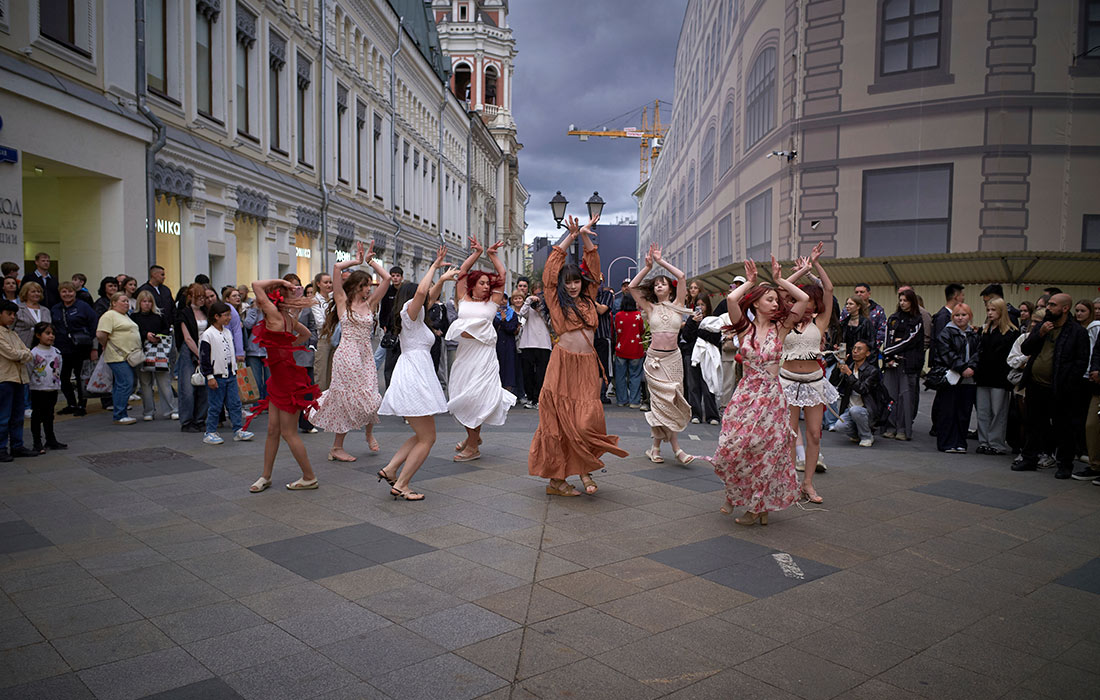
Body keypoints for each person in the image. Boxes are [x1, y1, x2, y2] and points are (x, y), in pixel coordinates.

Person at [707, 257, 811, 526]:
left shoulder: (782, 327)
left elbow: (801, 300)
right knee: (732, 445)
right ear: (755, 303)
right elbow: (732, 300)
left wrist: (779, 281)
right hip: (745, 395)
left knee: (765, 452)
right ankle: (734, 494)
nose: (775, 303)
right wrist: (751, 282)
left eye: (776, 300)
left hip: (771, 397)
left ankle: (757, 508)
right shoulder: (744, 328)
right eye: (769, 299)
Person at [528, 215, 627, 496]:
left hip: (586, 366)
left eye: (575, 281)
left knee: (585, 423)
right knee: (558, 422)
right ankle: (558, 480)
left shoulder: (588, 297)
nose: (572, 286)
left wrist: (585, 236)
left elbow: (594, 267)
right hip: (562, 364)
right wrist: (570, 236)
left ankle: (583, 470)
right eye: (567, 282)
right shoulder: (557, 300)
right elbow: (550, 272)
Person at [377, 248, 456, 500]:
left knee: (422, 435)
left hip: (416, 375)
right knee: (428, 438)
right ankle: (402, 484)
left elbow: (428, 295)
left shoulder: (417, 317)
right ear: (411, 299)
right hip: (414, 378)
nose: (426, 299)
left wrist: (442, 280)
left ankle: (390, 469)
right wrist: (433, 266)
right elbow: (422, 293)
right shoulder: (409, 314)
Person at [310, 241, 390, 462]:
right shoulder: (342, 301)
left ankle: (368, 433)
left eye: (368, 285)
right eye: (364, 285)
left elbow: (387, 280)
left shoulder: (371, 303)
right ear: (355, 286)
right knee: (345, 399)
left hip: (365, 355)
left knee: (371, 396)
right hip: (346, 355)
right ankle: (337, 447)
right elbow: (336, 268)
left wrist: (371, 261)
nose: (368, 288)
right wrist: (355, 260)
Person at [245, 277, 321, 492]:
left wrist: (282, 282)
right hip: (279, 378)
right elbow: (304, 335)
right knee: (272, 430)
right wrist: (287, 346)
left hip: (286, 379)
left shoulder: (275, 314)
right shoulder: (286, 318)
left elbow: (256, 285)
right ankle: (265, 476)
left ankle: (309, 477)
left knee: (289, 433)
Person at [445, 237, 517, 462]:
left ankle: (473, 447)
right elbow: (462, 272)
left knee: (476, 396)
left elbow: (503, 275)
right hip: (465, 355)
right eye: (482, 283)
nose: (487, 286)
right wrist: (476, 253)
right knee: (462, 395)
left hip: (484, 356)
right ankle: (472, 437)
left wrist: (493, 255)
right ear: (473, 285)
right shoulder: (463, 298)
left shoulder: (492, 302)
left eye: (488, 283)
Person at [777, 244, 835, 503]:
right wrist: (799, 273)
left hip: (813, 381)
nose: (808, 306)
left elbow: (830, 289)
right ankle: (790, 481)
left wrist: (815, 265)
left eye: (812, 302)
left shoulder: (820, 322)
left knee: (813, 433)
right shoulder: (785, 320)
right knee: (789, 434)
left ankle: (808, 484)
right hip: (787, 380)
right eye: (804, 300)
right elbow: (780, 288)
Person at [628, 243, 693, 464]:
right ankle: (675, 449)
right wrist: (647, 267)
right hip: (655, 359)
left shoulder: (678, 305)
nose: (658, 286)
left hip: (673, 359)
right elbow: (633, 287)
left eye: (662, 283)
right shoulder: (650, 308)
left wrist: (661, 262)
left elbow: (682, 276)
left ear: (671, 289)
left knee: (672, 402)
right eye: (655, 284)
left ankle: (655, 447)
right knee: (658, 404)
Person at [1013, 293, 1090, 478]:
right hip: (1036, 385)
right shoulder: (1043, 326)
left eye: (1053, 305)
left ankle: (1065, 464)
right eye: (1048, 305)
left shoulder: (1077, 332)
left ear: (1065, 308)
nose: (1048, 308)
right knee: (1033, 423)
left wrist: (1068, 381)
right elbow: (1026, 349)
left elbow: (1081, 361)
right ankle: (1030, 458)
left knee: (1063, 427)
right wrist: (1039, 334)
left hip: (1061, 388)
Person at [200, 301, 254, 445]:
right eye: (226, 315)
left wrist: (235, 369)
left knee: (235, 404)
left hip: (230, 374)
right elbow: (204, 358)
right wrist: (209, 376)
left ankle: (238, 429)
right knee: (215, 405)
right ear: (216, 316)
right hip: (216, 376)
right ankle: (210, 432)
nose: (229, 318)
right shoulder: (208, 335)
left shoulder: (227, 332)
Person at [932, 303, 980, 453]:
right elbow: (946, 353)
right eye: (957, 315)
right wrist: (962, 368)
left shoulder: (974, 334)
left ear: (970, 317)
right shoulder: (946, 333)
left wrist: (972, 367)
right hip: (951, 379)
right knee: (948, 412)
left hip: (969, 380)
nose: (960, 318)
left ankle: (960, 442)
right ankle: (947, 443)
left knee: (964, 412)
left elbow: (978, 352)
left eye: (964, 315)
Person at [974, 298, 1019, 455]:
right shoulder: (984, 330)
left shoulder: (1011, 332)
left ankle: (996, 443)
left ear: (1001, 311)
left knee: (998, 412)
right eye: (988, 310)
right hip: (983, 376)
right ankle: (984, 441)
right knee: (983, 411)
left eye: (993, 310)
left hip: (1000, 378)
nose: (990, 313)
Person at [882, 288, 925, 441]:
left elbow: (910, 340)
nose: (902, 303)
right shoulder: (893, 318)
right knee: (890, 395)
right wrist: (889, 356)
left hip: (908, 365)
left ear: (912, 302)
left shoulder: (917, 320)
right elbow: (888, 339)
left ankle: (902, 429)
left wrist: (889, 351)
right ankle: (890, 426)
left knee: (906, 397)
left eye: (905, 300)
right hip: (892, 364)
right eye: (900, 300)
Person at [830, 340, 889, 447]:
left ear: (867, 353)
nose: (855, 352)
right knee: (839, 426)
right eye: (854, 349)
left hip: (867, 411)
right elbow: (833, 382)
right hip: (850, 411)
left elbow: (863, 389)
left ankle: (867, 436)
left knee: (855, 410)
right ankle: (857, 434)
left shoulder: (872, 371)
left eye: (859, 349)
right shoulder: (850, 366)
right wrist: (839, 366)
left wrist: (849, 374)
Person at [51, 281, 97, 417]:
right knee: (64, 378)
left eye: (70, 291)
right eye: (64, 291)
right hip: (62, 349)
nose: (67, 294)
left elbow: (94, 326)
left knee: (81, 378)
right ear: (59, 293)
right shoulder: (55, 309)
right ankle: (71, 403)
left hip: (81, 349)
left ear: (75, 292)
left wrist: (94, 348)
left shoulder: (84, 307)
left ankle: (82, 404)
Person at [95, 292, 141, 425]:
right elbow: (101, 334)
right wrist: (106, 345)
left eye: (127, 301)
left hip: (128, 355)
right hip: (117, 356)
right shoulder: (109, 315)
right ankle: (120, 414)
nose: (126, 303)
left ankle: (119, 411)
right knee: (126, 382)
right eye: (123, 301)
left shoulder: (125, 315)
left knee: (120, 384)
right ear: (114, 303)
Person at [0, 300, 36, 460]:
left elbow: (27, 352)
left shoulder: (13, 333)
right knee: (3, 416)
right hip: (5, 378)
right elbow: (13, 354)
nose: (12, 317)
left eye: (14, 314)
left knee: (17, 416)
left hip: (19, 378)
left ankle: (17, 445)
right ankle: (1, 448)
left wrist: (22, 354)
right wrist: (22, 354)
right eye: (9, 314)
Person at [132, 290, 177, 421]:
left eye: (149, 301)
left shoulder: (159, 316)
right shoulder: (134, 317)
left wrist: (158, 336)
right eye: (144, 301)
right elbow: (134, 332)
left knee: (164, 382)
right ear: (140, 302)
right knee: (145, 384)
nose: (147, 304)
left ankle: (171, 409)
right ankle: (148, 411)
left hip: (159, 352)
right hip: (142, 352)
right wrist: (146, 335)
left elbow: (166, 329)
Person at [176, 283, 210, 433]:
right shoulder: (184, 313)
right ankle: (187, 421)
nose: (202, 300)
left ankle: (200, 419)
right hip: (189, 351)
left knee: (205, 387)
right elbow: (187, 338)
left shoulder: (206, 312)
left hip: (205, 350)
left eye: (203, 297)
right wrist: (198, 355)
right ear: (191, 297)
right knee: (187, 388)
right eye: (199, 297)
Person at [684, 292, 722, 424]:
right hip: (692, 355)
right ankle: (696, 414)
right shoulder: (691, 319)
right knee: (693, 386)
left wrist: (699, 331)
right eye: (698, 305)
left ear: (708, 306)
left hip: (708, 356)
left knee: (708, 385)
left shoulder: (713, 319)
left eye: (703, 305)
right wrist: (693, 323)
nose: (700, 307)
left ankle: (712, 415)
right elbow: (687, 336)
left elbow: (715, 338)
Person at [28, 322, 65, 453]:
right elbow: (29, 370)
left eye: (53, 334)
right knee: (37, 415)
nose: (51, 336)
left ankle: (51, 439)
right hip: (38, 389)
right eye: (47, 333)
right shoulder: (33, 353)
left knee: (49, 414)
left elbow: (58, 368)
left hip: (52, 388)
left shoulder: (56, 351)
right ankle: (37, 442)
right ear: (38, 335)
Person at [517, 283, 552, 408]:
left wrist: (542, 309)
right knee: (528, 373)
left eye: (540, 294)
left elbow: (551, 323)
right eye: (535, 294)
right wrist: (528, 300)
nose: (538, 297)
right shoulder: (528, 306)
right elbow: (521, 313)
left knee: (541, 374)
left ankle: (538, 399)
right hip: (528, 343)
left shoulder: (549, 306)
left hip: (543, 344)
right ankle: (530, 398)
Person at [613, 293, 644, 407]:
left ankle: (622, 400)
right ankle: (634, 401)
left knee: (620, 376)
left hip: (621, 348)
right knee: (635, 375)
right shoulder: (638, 315)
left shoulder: (618, 315)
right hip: (635, 349)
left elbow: (616, 329)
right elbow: (641, 331)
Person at [837, 283, 886, 349]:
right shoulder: (846, 310)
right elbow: (841, 327)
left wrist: (873, 347)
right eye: (856, 292)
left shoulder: (878, 310)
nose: (859, 294)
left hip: (867, 347)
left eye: (862, 292)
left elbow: (882, 330)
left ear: (869, 293)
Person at [495, 293, 523, 398]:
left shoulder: (512, 314)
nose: (502, 302)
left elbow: (512, 328)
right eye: (500, 300)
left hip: (509, 345)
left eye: (504, 300)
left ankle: (507, 395)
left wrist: (503, 321)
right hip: (496, 345)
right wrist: (501, 320)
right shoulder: (492, 314)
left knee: (509, 369)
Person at [311, 271, 336, 391]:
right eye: (326, 282)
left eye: (330, 282)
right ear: (318, 284)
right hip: (322, 339)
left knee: (333, 374)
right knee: (321, 374)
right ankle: (319, 404)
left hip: (335, 338)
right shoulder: (315, 300)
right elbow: (319, 322)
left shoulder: (334, 298)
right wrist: (333, 320)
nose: (329, 285)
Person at [841, 296, 876, 362]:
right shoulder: (843, 323)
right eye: (847, 304)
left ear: (858, 306)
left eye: (851, 304)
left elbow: (872, 343)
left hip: (862, 359)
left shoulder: (866, 323)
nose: (847, 306)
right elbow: (842, 342)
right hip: (847, 358)